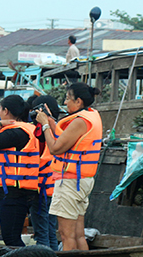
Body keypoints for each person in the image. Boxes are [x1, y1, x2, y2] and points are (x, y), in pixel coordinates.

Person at [36, 82, 102, 251]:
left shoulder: (80, 121)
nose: (65, 102)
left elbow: (55, 148)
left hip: (70, 183)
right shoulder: (91, 115)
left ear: (78, 101)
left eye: (67, 98)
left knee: (66, 236)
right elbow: (64, 136)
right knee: (79, 235)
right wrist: (50, 120)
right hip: (82, 181)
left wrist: (44, 125)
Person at [0, 94, 40, 247]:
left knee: (11, 238)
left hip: (12, 192)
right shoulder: (30, 129)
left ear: (6, 111)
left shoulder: (14, 133)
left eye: (0, 110)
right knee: (13, 235)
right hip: (23, 189)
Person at [29, 95, 60, 250]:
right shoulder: (60, 128)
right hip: (56, 188)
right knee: (50, 231)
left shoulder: (42, 130)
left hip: (42, 189)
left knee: (42, 232)